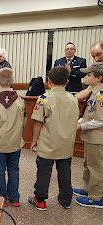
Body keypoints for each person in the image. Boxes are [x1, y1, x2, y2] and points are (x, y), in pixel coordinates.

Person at [28, 67, 79, 210]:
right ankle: (66, 200)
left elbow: (38, 122)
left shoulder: (44, 99)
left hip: (48, 143)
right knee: (65, 171)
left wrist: (33, 141)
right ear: (67, 82)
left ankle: (40, 200)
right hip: (66, 143)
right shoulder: (73, 99)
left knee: (44, 171)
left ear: (48, 81)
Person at [0, 68, 26, 207]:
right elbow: (23, 122)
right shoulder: (20, 100)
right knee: (14, 169)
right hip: (15, 142)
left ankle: (1, 197)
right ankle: (14, 198)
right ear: (12, 82)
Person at [73, 62, 103, 208]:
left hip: (98, 137)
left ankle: (96, 197)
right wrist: (79, 121)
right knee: (88, 164)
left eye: (89, 75)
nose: (85, 77)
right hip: (90, 136)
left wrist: (80, 126)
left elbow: (100, 121)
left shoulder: (101, 95)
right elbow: (90, 114)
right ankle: (87, 189)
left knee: (96, 167)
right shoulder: (94, 92)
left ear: (99, 78)